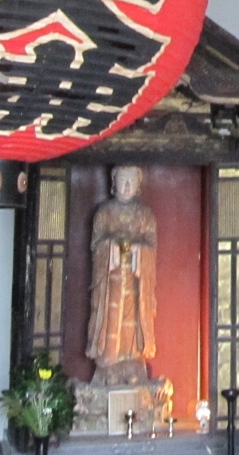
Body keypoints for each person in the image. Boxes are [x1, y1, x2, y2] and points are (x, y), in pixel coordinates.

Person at [86, 164, 157, 385]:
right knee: (110, 317)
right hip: (111, 278)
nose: (126, 186)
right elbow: (95, 244)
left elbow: (152, 246)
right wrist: (111, 247)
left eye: (131, 181)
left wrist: (138, 250)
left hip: (136, 278)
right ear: (113, 182)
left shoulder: (145, 215)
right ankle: (108, 364)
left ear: (138, 185)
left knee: (133, 320)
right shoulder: (105, 212)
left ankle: (133, 363)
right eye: (122, 180)